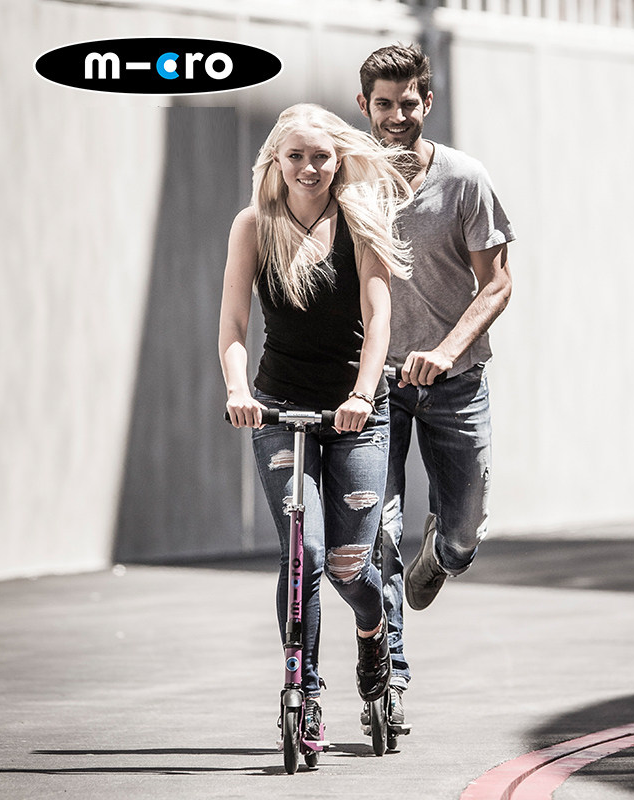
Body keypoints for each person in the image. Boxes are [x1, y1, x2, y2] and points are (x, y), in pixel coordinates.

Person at [218, 103, 413, 741]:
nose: (309, 168)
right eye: (296, 156)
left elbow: (379, 320)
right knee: (302, 553)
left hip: (357, 411)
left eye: (321, 156)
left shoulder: (360, 220)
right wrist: (238, 389)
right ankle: (303, 687)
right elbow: (234, 323)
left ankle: (373, 633)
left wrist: (362, 393)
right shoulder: (254, 225)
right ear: (275, 160)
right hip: (279, 408)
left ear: (338, 159)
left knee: (349, 565)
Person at [356, 44, 515, 726]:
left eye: (408, 103)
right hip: (376, 382)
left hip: (456, 381)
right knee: (378, 534)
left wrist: (446, 353)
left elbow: (498, 283)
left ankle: (444, 553)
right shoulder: (348, 178)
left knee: (464, 533)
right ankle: (389, 680)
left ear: (428, 101)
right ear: (364, 106)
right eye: (383, 104)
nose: (396, 116)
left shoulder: (464, 180)